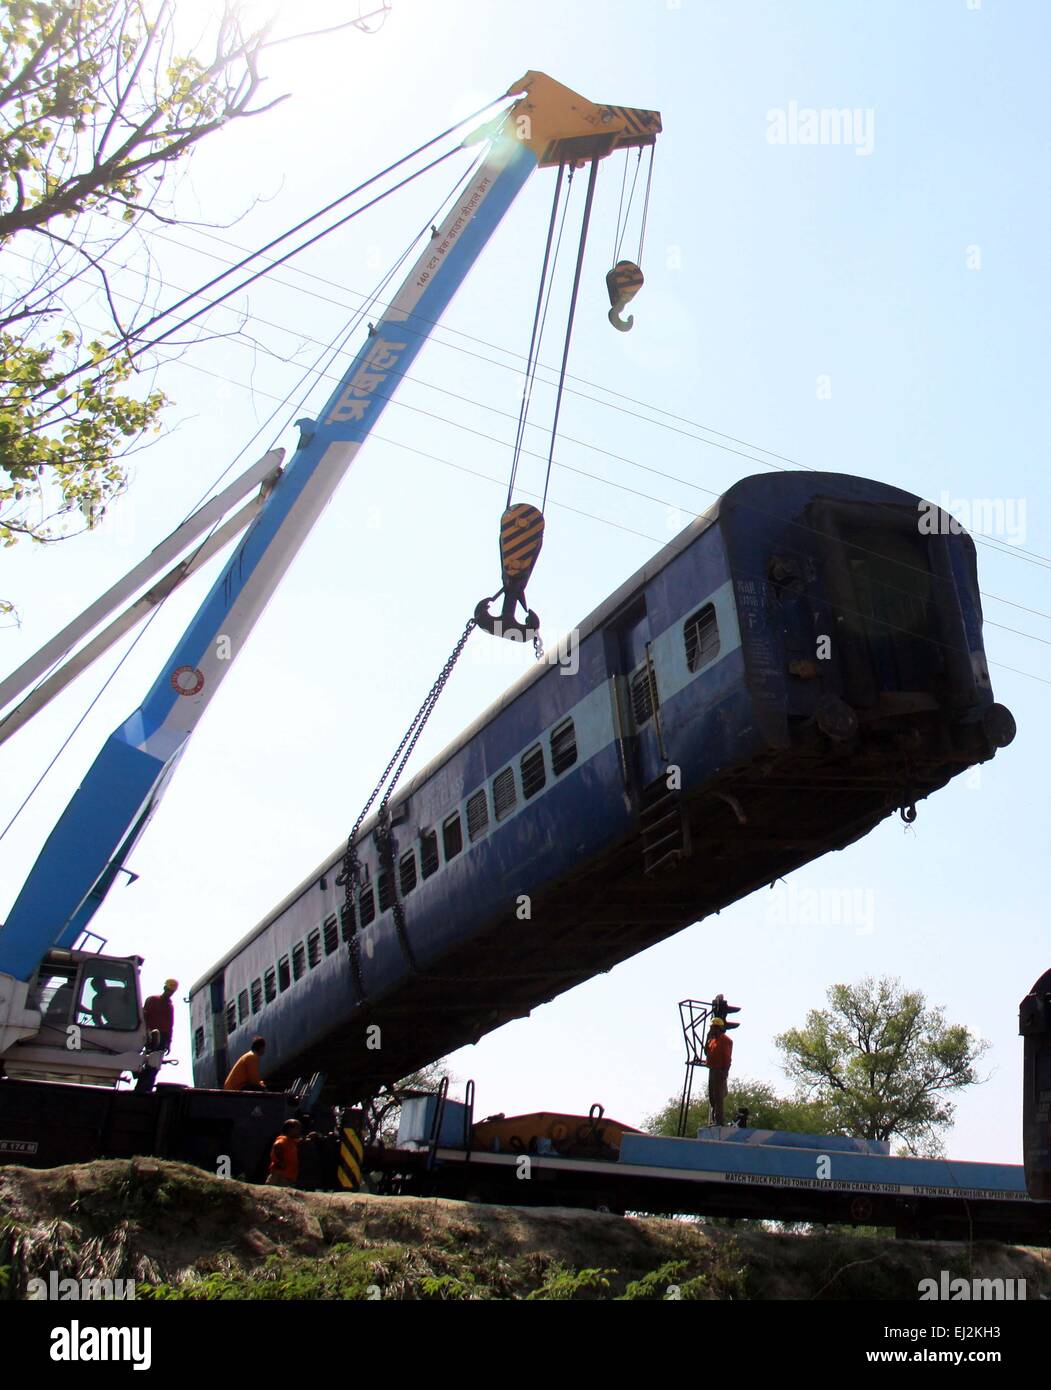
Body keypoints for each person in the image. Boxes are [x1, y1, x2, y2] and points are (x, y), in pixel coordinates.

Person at [135, 979, 178, 1094]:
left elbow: (170, 1025)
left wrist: (168, 1042)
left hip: (161, 1038)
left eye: (172, 991)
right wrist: (145, 1033)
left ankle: (145, 1089)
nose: (170, 993)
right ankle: (141, 1087)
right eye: (169, 990)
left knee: (154, 1066)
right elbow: (144, 1016)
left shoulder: (170, 1006)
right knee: (144, 1063)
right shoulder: (152, 1000)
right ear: (165, 988)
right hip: (149, 1035)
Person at [705, 1017, 733, 1126]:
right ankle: (714, 1119)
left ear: (719, 1028)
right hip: (712, 1070)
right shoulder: (712, 1040)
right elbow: (706, 1052)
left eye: (713, 1028)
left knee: (718, 1096)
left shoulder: (726, 1040)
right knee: (712, 1096)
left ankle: (719, 1121)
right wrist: (708, 1037)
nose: (711, 1030)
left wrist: (725, 1072)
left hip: (720, 1071)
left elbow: (727, 1058)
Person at [266, 1120, 302, 1187]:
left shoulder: (291, 1141)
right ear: (290, 1129)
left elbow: (300, 1140)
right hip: (280, 1177)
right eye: (298, 1128)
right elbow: (278, 1145)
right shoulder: (283, 1140)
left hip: (286, 1177)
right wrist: (281, 1161)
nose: (300, 1130)